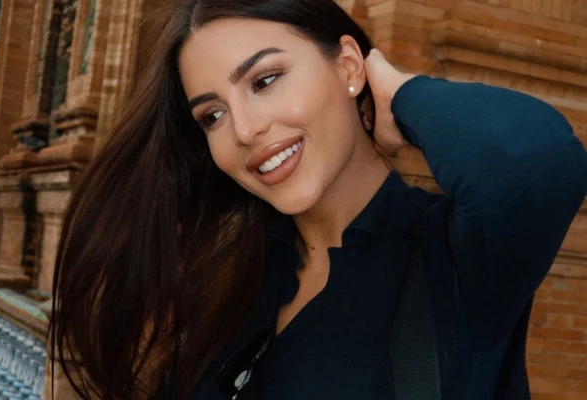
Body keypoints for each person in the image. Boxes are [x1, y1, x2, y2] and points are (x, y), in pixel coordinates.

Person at [50, 0, 587, 399]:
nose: (244, 129)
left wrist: (400, 96)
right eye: (212, 114)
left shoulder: (456, 260)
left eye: (265, 79)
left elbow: (530, 159)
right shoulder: (228, 277)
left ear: (349, 67)